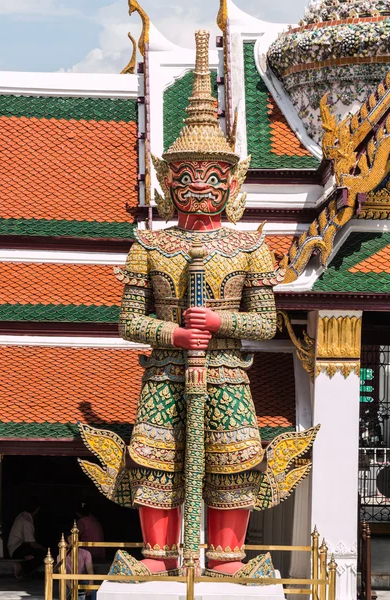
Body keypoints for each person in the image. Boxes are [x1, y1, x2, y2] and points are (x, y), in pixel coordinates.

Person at [79, 29, 318, 581]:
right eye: (186, 175)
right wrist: (178, 337)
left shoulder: (250, 248)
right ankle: (159, 558)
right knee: (157, 465)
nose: (199, 187)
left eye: (211, 176)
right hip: (166, 374)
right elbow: (128, 321)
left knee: (232, 466)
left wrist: (217, 322)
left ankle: (225, 557)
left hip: (229, 374)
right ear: (167, 178)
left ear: (231, 179)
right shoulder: (149, 245)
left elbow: (262, 319)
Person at [7, 500, 46, 578]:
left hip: (15, 548)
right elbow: (32, 543)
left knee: (34, 554)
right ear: (37, 509)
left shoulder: (22, 515)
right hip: (17, 549)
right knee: (42, 555)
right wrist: (45, 549)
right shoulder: (27, 521)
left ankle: (27, 560)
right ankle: (21, 566)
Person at [58, 532, 96, 600]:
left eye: (76, 538)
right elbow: (63, 574)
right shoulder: (61, 556)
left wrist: (90, 584)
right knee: (64, 590)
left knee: (93, 591)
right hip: (68, 580)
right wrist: (71, 587)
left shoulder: (86, 553)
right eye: (71, 538)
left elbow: (90, 570)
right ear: (66, 542)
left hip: (81, 578)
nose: (74, 540)